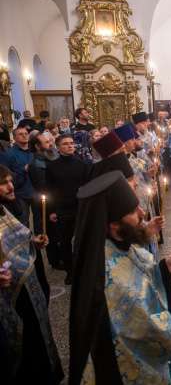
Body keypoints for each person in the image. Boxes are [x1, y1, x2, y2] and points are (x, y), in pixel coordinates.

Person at [69, 171, 171, 385]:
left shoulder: (115, 244)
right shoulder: (108, 276)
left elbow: (137, 271)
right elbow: (147, 329)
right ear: (114, 226)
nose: (143, 213)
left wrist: (163, 269)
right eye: (134, 212)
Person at [0, 165, 64, 385]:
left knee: (36, 333)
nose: (10, 186)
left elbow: (17, 237)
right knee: (21, 342)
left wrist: (33, 241)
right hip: (9, 295)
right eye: (4, 183)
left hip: (28, 286)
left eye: (10, 180)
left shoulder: (5, 208)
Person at [46, 134, 90, 284]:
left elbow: (87, 186)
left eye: (71, 143)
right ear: (58, 147)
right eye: (65, 144)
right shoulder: (52, 166)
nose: (70, 146)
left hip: (80, 207)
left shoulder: (82, 164)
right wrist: (52, 210)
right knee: (65, 242)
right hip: (62, 209)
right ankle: (70, 271)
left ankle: (84, 269)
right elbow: (50, 190)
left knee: (83, 240)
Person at [28, 131, 61, 269]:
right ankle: (55, 261)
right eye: (46, 142)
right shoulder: (36, 164)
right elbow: (44, 188)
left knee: (58, 233)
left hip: (56, 201)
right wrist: (52, 209)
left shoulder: (51, 155)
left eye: (50, 141)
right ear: (37, 146)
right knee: (51, 234)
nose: (51, 143)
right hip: (47, 204)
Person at [6, 126, 34, 226]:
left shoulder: (34, 150)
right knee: (23, 222)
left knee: (40, 221)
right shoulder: (9, 154)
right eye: (20, 134)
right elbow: (7, 177)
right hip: (20, 193)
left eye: (26, 133)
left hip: (36, 191)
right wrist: (24, 170)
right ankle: (26, 241)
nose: (24, 136)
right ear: (14, 138)